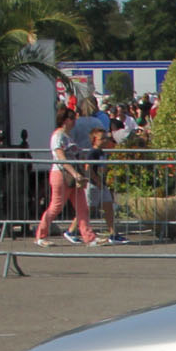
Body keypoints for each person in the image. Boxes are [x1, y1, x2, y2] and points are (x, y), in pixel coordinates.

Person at [34, 106, 99, 247]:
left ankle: (90, 237)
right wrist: (74, 173)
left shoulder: (68, 136)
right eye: (71, 118)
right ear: (64, 120)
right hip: (62, 175)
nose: (74, 121)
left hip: (74, 177)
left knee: (82, 207)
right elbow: (61, 158)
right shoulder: (58, 136)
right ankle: (41, 235)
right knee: (56, 207)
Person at [81, 124, 128, 243]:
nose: (105, 140)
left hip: (102, 184)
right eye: (102, 138)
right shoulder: (93, 152)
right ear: (94, 140)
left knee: (109, 207)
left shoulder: (102, 152)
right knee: (86, 209)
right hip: (93, 185)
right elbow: (88, 168)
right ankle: (72, 230)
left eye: (105, 138)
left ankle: (113, 233)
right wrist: (96, 181)